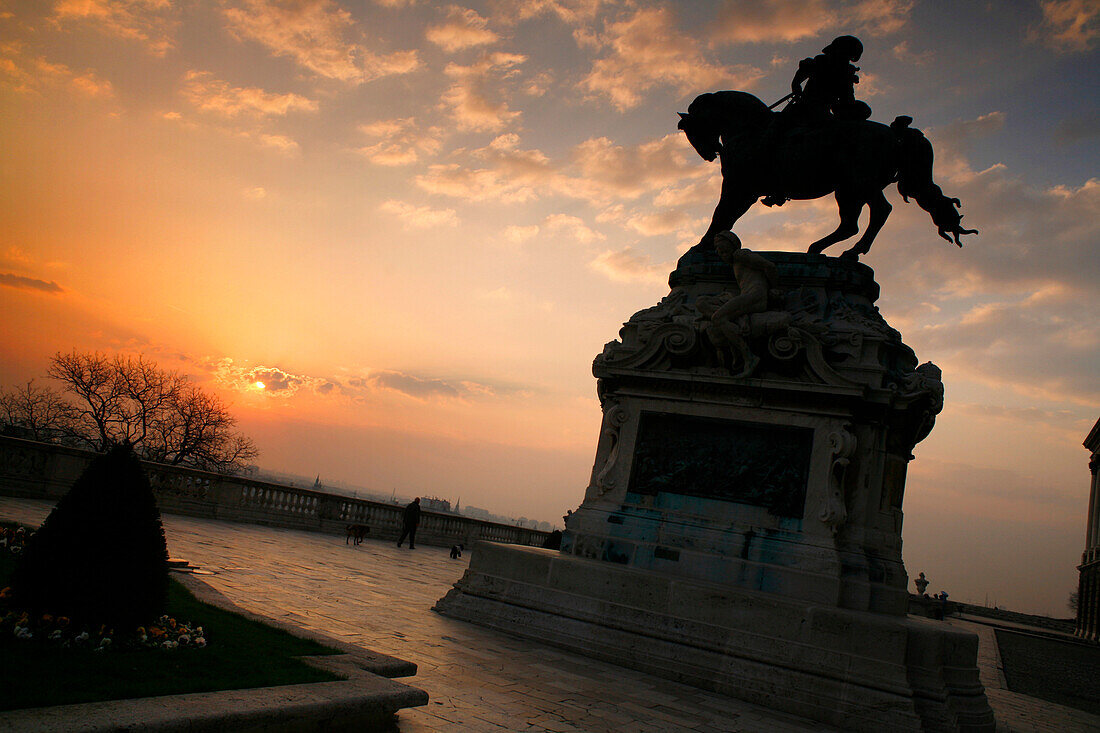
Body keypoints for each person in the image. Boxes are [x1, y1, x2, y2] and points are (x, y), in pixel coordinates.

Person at [787, 35, 870, 124]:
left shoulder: (845, 73)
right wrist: (797, 89)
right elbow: (798, 80)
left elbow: (846, 99)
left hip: (821, 112)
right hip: (807, 108)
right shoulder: (821, 63)